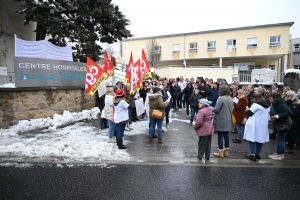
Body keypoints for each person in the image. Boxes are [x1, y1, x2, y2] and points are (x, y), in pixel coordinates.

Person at [244, 92, 270, 161]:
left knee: (252, 139)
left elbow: (250, 113)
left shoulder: (255, 105)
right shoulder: (266, 106)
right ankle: (258, 153)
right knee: (260, 139)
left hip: (254, 124)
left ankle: (253, 155)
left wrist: (246, 110)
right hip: (262, 125)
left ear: (254, 98)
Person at [268, 92, 293, 160]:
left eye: (270, 98)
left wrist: (278, 116)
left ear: (274, 98)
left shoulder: (280, 104)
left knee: (280, 139)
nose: (269, 99)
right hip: (283, 123)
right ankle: (281, 154)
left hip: (285, 123)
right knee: (281, 139)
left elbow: (289, 112)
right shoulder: (277, 103)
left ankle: (279, 155)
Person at [212, 86, 233, 158]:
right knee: (226, 135)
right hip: (227, 119)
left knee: (220, 135)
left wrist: (211, 108)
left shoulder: (221, 98)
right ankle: (226, 152)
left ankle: (220, 152)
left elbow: (216, 110)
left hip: (221, 119)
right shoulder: (231, 98)